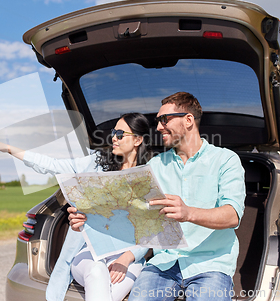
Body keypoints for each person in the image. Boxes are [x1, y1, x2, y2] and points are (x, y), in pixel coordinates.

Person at [71, 92, 246, 301]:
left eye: (165, 119)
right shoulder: (154, 166)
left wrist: (188, 213)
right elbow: (128, 214)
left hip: (210, 264)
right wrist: (87, 219)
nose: (159, 126)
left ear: (188, 120)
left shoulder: (225, 160)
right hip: (164, 263)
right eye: (158, 121)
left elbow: (232, 215)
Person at [0, 112, 152, 301]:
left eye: (120, 134)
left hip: (128, 257)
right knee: (96, 271)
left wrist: (126, 258)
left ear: (138, 140)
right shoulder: (95, 164)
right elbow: (51, 164)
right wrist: (9, 149)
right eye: (113, 132)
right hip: (89, 253)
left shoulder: (149, 177)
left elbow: (153, 229)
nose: (114, 138)